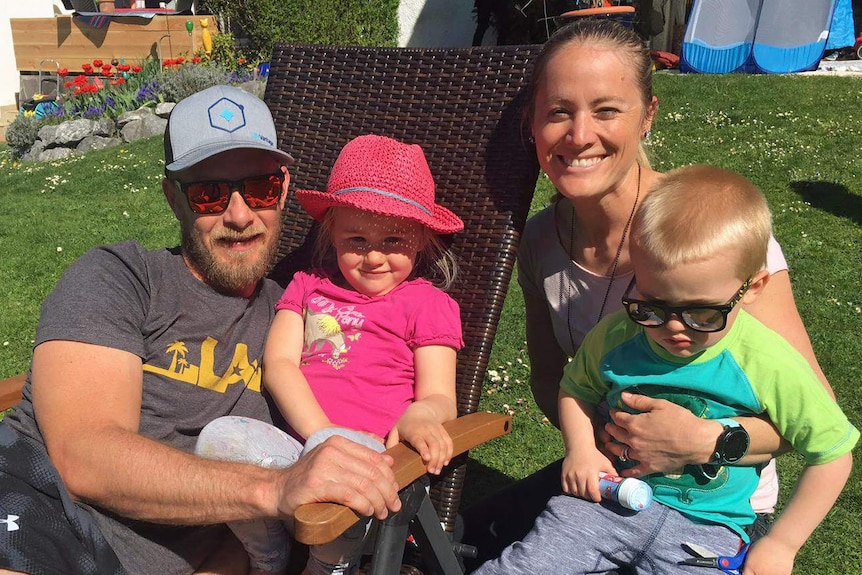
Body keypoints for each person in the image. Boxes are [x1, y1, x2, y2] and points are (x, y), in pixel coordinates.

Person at [461, 17, 837, 566]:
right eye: (559, 112)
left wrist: (703, 440)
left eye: (607, 109)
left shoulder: (708, 235)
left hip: (716, 502)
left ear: (648, 117)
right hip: (618, 480)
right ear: (533, 124)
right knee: (462, 542)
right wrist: (601, 442)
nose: (580, 134)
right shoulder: (539, 238)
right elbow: (551, 378)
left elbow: (810, 414)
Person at [0, 86, 402, 575]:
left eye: (260, 189)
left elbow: (381, 386)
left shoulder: (299, 318)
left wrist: (429, 412)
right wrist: (273, 490)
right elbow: (85, 458)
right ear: (174, 199)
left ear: (284, 189)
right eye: (209, 193)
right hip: (39, 503)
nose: (239, 214)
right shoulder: (121, 277)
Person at [473, 165, 858, 575]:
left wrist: (781, 544)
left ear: (753, 288)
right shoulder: (617, 336)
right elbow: (574, 390)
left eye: (702, 313)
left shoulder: (767, 360)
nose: (674, 327)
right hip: (607, 503)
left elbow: (833, 455)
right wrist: (582, 450)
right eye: (652, 306)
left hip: (707, 530)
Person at [195, 134, 464, 575]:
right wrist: (322, 436)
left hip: (375, 470)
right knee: (218, 438)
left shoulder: (428, 304)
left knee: (336, 453)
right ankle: (268, 558)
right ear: (332, 233)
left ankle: (325, 567)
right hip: (294, 459)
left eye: (394, 240)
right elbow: (279, 364)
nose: (374, 256)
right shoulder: (308, 286)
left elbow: (440, 397)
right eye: (356, 239)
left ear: (421, 240)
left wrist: (421, 415)